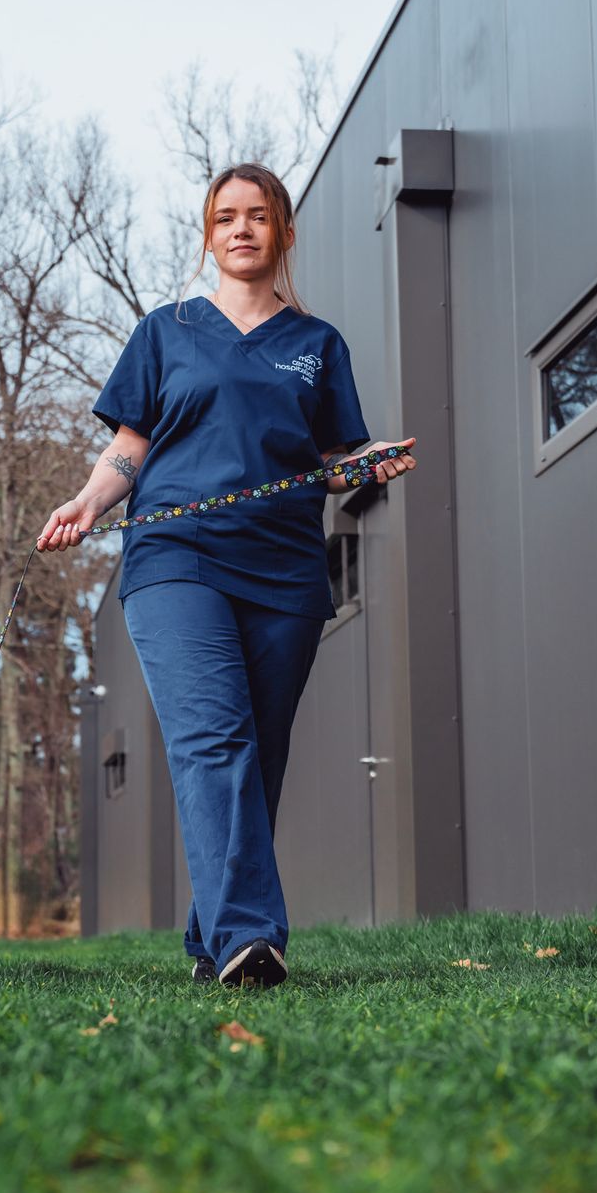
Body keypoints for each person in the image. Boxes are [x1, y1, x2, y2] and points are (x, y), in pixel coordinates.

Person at [37, 163, 415, 988]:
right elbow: (128, 448)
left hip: (284, 570)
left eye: (257, 217)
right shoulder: (166, 331)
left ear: (283, 232)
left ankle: (216, 944)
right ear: (208, 234)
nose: (241, 229)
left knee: (258, 758)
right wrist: (88, 501)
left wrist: (367, 466)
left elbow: (330, 462)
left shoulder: (317, 347)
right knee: (215, 739)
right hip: (177, 561)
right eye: (225, 217)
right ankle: (253, 938)